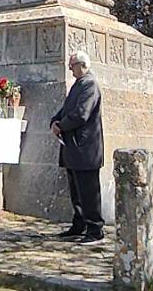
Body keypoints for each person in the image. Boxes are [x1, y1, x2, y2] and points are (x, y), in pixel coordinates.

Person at [51, 51, 104, 243]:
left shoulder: (89, 84)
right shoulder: (78, 85)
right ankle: (79, 224)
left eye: (72, 65)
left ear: (82, 65)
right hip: (73, 147)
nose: (70, 69)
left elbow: (82, 113)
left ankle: (95, 228)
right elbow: (67, 109)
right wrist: (55, 121)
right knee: (76, 190)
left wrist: (62, 125)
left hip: (85, 147)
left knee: (88, 190)